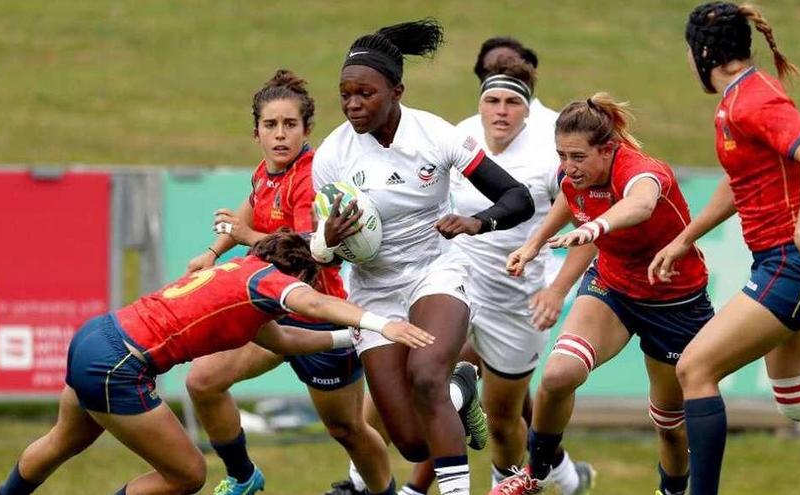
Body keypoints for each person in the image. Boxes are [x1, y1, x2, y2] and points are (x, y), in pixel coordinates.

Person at [0, 232, 434, 495]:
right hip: (119, 366)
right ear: (293, 277)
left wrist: (356, 337)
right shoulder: (269, 282)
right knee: (188, 475)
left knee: (62, 441)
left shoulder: (242, 271)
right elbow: (312, 303)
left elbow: (283, 339)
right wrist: (382, 323)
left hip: (97, 336)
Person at [311, 19, 535, 495]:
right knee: (412, 443)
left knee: (426, 376)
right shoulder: (332, 155)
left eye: (365, 93)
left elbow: (518, 198)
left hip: (437, 271)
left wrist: (478, 222)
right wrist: (328, 240)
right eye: (345, 94)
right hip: (373, 290)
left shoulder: (436, 135)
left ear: (397, 90)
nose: (353, 104)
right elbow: (326, 261)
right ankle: (462, 387)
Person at [647, 3, 800, 494]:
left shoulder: (750, 100)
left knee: (695, 369)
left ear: (702, 52)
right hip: (792, 261)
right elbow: (739, 181)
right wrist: (685, 237)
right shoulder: (738, 99)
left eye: (687, 52)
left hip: (795, 262)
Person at [182, 70, 395, 495]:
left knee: (348, 429)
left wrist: (245, 240)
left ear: (306, 129)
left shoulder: (312, 175)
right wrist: (214, 251)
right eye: (270, 125)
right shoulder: (266, 171)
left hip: (318, 315)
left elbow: (305, 248)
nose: (280, 135)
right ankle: (243, 476)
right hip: (267, 309)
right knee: (202, 382)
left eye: (290, 125)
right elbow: (247, 209)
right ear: (256, 130)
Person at [494, 93, 714, 495]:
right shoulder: (576, 175)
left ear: (608, 149)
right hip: (612, 286)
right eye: (561, 155)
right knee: (559, 374)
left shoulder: (643, 171)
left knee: (670, 427)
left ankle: (673, 491)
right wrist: (533, 244)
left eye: (577, 157)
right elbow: (568, 196)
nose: (568, 166)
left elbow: (641, 204)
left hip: (675, 302)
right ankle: (535, 473)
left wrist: (594, 229)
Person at [397, 54, 594, 495]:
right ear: (480, 105)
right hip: (457, 287)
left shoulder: (549, 158)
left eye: (511, 102)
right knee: (425, 383)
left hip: (515, 304)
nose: (501, 110)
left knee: (504, 423)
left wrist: (556, 291)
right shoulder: (458, 138)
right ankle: (403, 482)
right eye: (493, 100)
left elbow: (592, 231)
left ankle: (511, 483)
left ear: (528, 111)